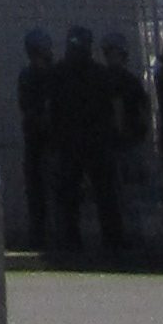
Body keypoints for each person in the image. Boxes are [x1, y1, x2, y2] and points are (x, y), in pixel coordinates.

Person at [49, 25, 109, 259]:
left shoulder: (59, 73)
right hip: (87, 140)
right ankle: (109, 237)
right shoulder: (97, 73)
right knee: (96, 191)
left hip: (75, 140)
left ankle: (73, 238)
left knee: (76, 193)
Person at [15, 32, 56, 251]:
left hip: (39, 140)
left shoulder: (31, 75)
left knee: (40, 190)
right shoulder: (41, 76)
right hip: (43, 141)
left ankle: (43, 234)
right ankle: (44, 234)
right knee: (42, 189)